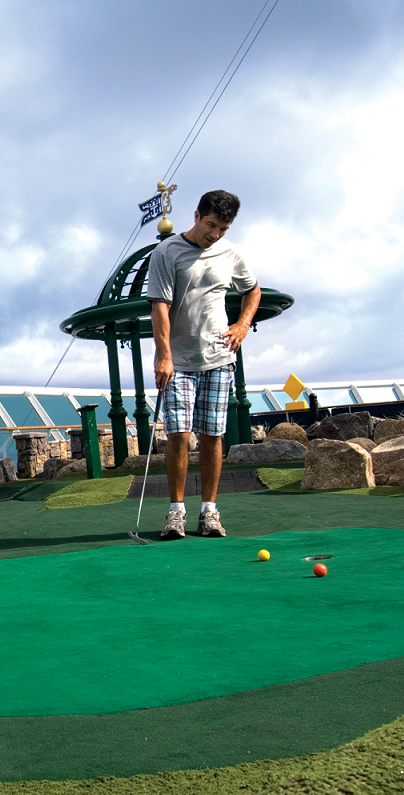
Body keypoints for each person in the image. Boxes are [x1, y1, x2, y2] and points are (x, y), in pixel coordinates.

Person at [146, 190, 261, 539]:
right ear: (196, 215)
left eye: (223, 228)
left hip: (219, 360)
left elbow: (252, 290)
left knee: (213, 436)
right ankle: (176, 512)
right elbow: (159, 307)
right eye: (211, 225)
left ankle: (209, 511)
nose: (215, 234)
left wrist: (241, 325)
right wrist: (164, 355)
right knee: (180, 435)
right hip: (178, 361)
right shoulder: (167, 252)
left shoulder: (231, 253)